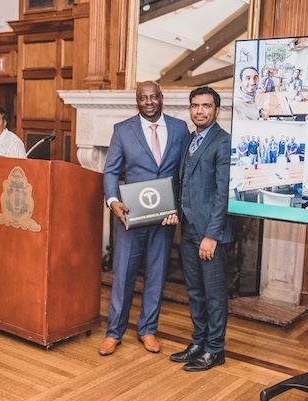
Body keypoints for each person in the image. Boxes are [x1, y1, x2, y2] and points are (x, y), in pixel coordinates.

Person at [100, 81, 188, 356]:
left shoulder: (179, 128)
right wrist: (113, 201)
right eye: (142, 98)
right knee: (123, 274)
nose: (148, 102)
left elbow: (184, 173)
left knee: (157, 273)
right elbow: (111, 171)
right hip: (130, 216)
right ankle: (114, 332)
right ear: (136, 101)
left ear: (162, 98)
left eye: (153, 97)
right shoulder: (122, 130)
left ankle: (147, 329)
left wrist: (178, 210)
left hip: (164, 218)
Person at [169, 86, 234, 372]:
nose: (200, 111)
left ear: (217, 110)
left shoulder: (223, 142)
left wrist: (212, 235)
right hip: (188, 229)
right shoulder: (189, 139)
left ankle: (215, 350)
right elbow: (182, 182)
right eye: (195, 105)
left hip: (210, 234)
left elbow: (223, 193)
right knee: (194, 290)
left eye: (206, 106)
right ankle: (198, 341)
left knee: (214, 294)